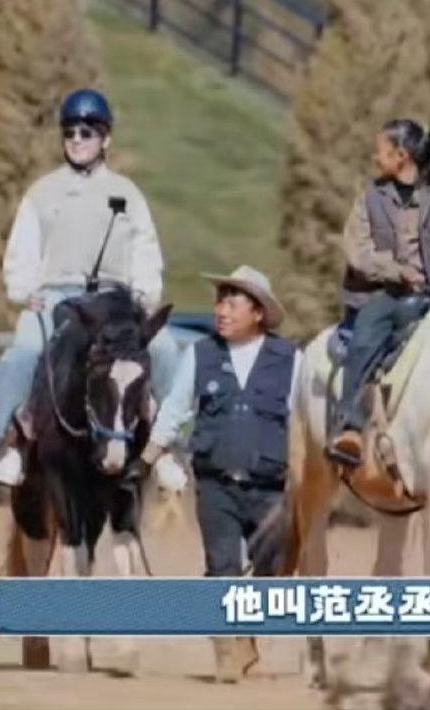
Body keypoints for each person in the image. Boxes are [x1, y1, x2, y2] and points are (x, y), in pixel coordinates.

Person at [0, 89, 181, 488]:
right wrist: (23, 291)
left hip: (114, 298)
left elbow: (145, 250)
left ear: (105, 139)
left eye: (87, 132)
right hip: (58, 295)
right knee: (22, 353)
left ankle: (167, 445)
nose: (77, 139)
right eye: (70, 132)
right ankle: (12, 441)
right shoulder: (41, 192)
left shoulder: (129, 194)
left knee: (165, 349)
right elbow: (22, 249)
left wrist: (146, 295)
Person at [146, 265, 298, 683]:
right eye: (220, 302)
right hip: (215, 482)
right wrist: (149, 458)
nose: (221, 311)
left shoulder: (290, 360)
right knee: (221, 566)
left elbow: (303, 422)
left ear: (258, 314)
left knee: (271, 568)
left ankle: (252, 641)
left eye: (233, 303)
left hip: (271, 486)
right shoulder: (200, 354)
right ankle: (227, 651)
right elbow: (176, 410)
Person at [325, 119, 430, 470]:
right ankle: (350, 426)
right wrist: (396, 271)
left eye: (380, 150)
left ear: (401, 156)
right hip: (386, 296)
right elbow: (358, 252)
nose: (375, 157)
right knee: (366, 335)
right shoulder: (369, 199)